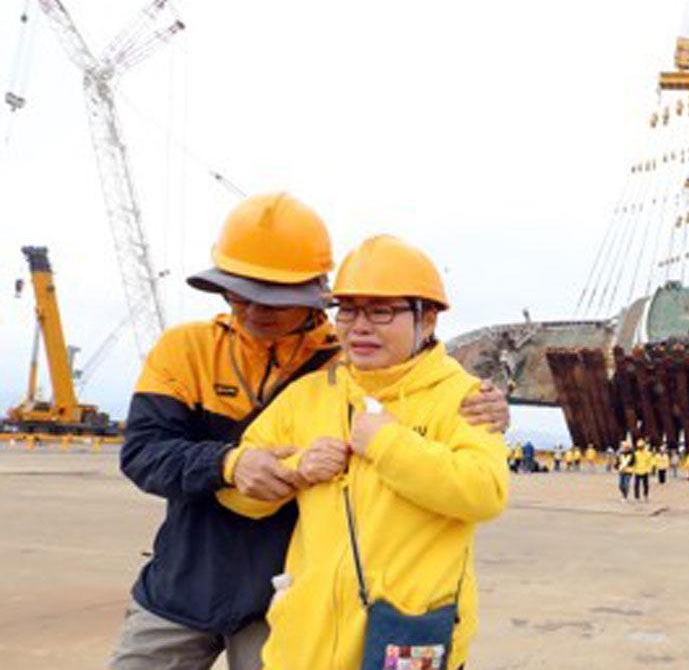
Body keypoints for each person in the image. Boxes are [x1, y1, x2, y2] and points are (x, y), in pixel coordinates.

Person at [109, 195, 507, 670]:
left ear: (312, 293)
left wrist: (477, 409)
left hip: (281, 603)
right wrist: (234, 465)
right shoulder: (190, 350)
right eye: (239, 292)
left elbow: (473, 472)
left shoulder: (340, 362)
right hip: (188, 579)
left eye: (273, 296)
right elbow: (144, 454)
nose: (254, 308)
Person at [215, 234, 508, 670]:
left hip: (406, 638)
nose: (359, 326)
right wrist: (298, 470)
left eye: (381, 310)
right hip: (304, 644)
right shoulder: (308, 396)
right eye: (348, 310)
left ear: (426, 320)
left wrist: (388, 443)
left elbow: (484, 492)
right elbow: (235, 495)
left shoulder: (463, 397)